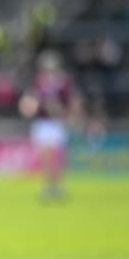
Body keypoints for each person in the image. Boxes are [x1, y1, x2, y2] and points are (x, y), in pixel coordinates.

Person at [18, 49, 82, 201]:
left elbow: (73, 100)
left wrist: (71, 115)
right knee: (46, 157)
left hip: (58, 123)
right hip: (43, 123)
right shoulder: (38, 82)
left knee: (57, 157)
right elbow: (29, 102)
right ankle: (49, 187)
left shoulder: (63, 82)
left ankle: (57, 186)